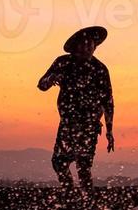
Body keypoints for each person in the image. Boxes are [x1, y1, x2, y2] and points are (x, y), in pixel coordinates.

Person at [38, 26, 114, 188]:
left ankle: (86, 199)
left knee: (83, 166)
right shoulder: (63, 62)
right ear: (76, 47)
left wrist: (109, 130)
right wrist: (52, 79)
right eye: (83, 44)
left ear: (95, 47)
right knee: (59, 162)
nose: (87, 48)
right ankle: (69, 192)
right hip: (68, 123)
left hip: (89, 124)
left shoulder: (99, 69)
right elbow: (42, 85)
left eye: (91, 45)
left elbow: (108, 101)